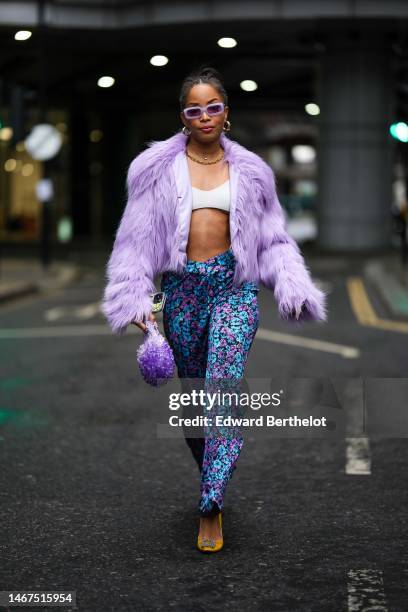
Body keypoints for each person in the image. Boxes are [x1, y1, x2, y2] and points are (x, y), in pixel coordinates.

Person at [101, 65, 328, 553]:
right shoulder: (154, 171)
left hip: (234, 290)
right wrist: (133, 295)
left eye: (214, 107)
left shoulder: (252, 173)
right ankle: (211, 473)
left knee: (223, 387)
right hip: (181, 292)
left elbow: (274, 238)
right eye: (194, 109)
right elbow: (134, 242)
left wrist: (291, 283)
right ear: (183, 117)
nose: (204, 116)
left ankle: (211, 502)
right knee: (192, 403)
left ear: (227, 113)